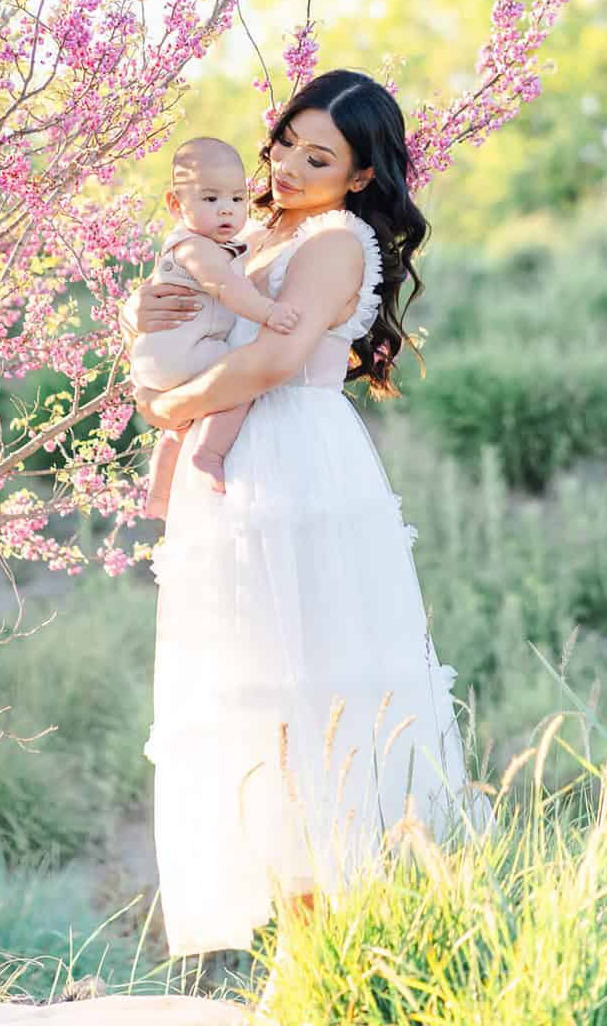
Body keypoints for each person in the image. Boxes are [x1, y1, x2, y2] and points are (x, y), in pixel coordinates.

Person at [121, 68, 492, 971]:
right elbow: (189, 354)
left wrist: (175, 413)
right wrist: (148, 340)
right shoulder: (242, 230)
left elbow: (277, 359)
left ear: (361, 176)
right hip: (235, 471)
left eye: (317, 156)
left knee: (310, 691)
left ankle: (335, 960)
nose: (286, 163)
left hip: (293, 472)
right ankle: (300, 959)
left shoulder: (335, 242)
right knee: (252, 697)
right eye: (285, 140)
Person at [130, 135, 300, 518]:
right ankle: (209, 452)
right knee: (235, 383)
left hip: (163, 353)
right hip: (183, 351)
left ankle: (158, 495)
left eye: (237, 199)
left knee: (177, 428)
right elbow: (226, 287)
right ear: (176, 204)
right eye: (210, 199)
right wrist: (268, 312)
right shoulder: (196, 247)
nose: (227, 210)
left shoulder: (214, 243)